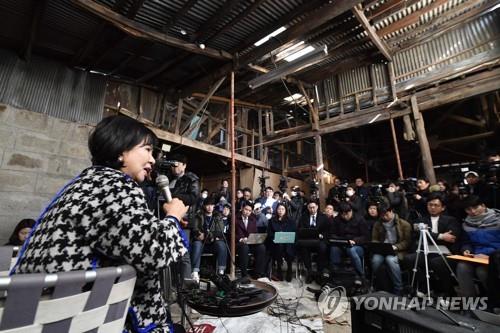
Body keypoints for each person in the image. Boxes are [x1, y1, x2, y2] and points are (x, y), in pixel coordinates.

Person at [15, 115, 188, 332]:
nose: (153, 160)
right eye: (147, 150)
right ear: (120, 150)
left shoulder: (86, 183)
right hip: (74, 320)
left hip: (36, 314)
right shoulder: (115, 186)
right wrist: (172, 217)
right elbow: (153, 251)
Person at [403, 192, 461, 296]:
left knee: (437, 262)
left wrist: (432, 235)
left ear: (443, 207)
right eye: (430, 205)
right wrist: (441, 236)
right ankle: (425, 285)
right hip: (427, 251)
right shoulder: (421, 220)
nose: (432, 207)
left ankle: (449, 293)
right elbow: (417, 233)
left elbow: (452, 238)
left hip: (445, 252)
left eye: (436, 205)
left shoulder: (451, 220)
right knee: (409, 259)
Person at [456, 195, 500, 297]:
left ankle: (494, 300)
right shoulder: (466, 224)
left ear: (483, 206)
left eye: (475, 208)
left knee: (482, 272)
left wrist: (491, 256)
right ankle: (470, 303)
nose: (473, 212)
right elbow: (466, 242)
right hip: (477, 256)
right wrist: (466, 250)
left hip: (495, 256)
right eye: (468, 209)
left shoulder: (498, 220)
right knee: (462, 267)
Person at [167, 152, 200, 282]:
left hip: (183, 219)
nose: (173, 168)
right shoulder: (168, 179)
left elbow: (193, 197)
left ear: (184, 165)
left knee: (183, 253)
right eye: (172, 165)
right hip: (168, 218)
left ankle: (187, 285)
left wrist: (174, 197)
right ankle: (172, 284)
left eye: (176, 165)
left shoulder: (191, 179)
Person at [371, 204, 412, 295]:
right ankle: (379, 284)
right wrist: (378, 246)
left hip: (398, 249)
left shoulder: (404, 224)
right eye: (382, 215)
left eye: (386, 214)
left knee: (390, 260)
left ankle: (398, 287)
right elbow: (374, 239)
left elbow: (407, 242)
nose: (384, 217)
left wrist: (396, 247)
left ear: (391, 211)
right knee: (375, 260)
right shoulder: (378, 224)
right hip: (383, 248)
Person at [329, 202, 369, 285]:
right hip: (341, 243)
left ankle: (360, 275)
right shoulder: (337, 219)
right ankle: (336, 273)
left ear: (351, 211)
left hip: (357, 246)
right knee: (334, 248)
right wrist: (339, 239)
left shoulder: (360, 219)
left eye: (346, 214)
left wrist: (355, 240)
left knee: (351, 250)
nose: (345, 216)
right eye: (342, 214)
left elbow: (366, 237)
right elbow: (332, 233)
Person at [190, 198, 228, 281]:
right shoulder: (199, 215)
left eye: (211, 205)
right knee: (196, 244)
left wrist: (208, 235)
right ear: (204, 206)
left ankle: (221, 271)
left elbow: (219, 232)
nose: (210, 207)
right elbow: (195, 229)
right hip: (201, 242)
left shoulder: (217, 216)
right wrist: (199, 234)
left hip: (212, 243)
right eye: (208, 205)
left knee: (221, 244)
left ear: (214, 206)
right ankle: (195, 272)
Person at [297, 200, 329, 283]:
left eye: (313, 207)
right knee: (303, 248)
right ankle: (309, 271)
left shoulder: (323, 217)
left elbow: (327, 230)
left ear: (317, 207)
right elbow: (300, 229)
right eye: (310, 208)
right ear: (308, 208)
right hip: (307, 240)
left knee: (322, 248)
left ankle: (319, 272)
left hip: (319, 240)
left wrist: (322, 235)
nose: (312, 209)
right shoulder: (303, 217)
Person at [235, 201, 266, 278]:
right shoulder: (235, 218)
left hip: (250, 242)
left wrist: (254, 239)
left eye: (249, 210)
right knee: (244, 247)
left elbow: (255, 232)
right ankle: (244, 274)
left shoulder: (253, 219)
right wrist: (241, 239)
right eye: (246, 209)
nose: (247, 212)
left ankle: (257, 273)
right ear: (242, 208)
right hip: (239, 243)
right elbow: (231, 233)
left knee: (261, 247)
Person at [267, 203, 296, 281]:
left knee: (289, 245)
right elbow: (269, 234)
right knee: (279, 245)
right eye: (279, 209)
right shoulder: (271, 221)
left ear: (285, 210)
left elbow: (294, 233)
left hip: (288, 242)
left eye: (282, 209)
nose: (280, 211)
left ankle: (289, 268)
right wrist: (274, 238)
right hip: (276, 243)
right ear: (276, 210)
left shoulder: (291, 221)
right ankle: (279, 268)